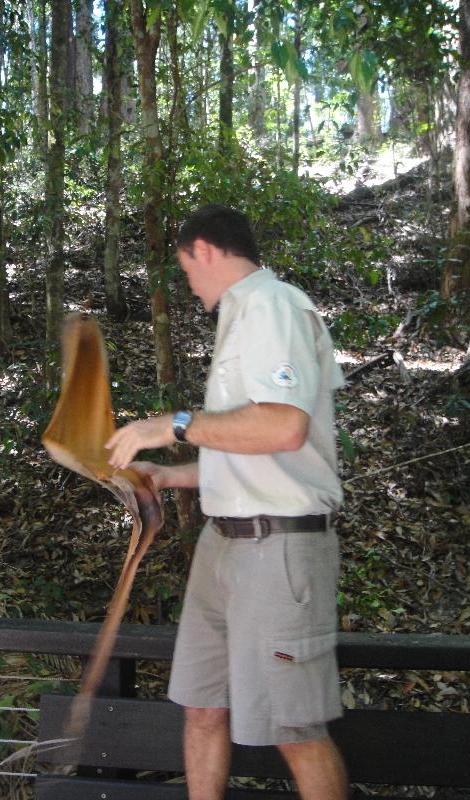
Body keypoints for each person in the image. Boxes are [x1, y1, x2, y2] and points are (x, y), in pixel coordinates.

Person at [105, 204, 348, 800]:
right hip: (225, 546)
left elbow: (283, 428)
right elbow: (246, 444)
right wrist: (168, 476)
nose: (188, 284)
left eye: (186, 267)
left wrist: (175, 424)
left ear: (205, 251)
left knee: (294, 727)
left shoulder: (274, 306)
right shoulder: (242, 317)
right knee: (202, 706)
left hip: (280, 547)